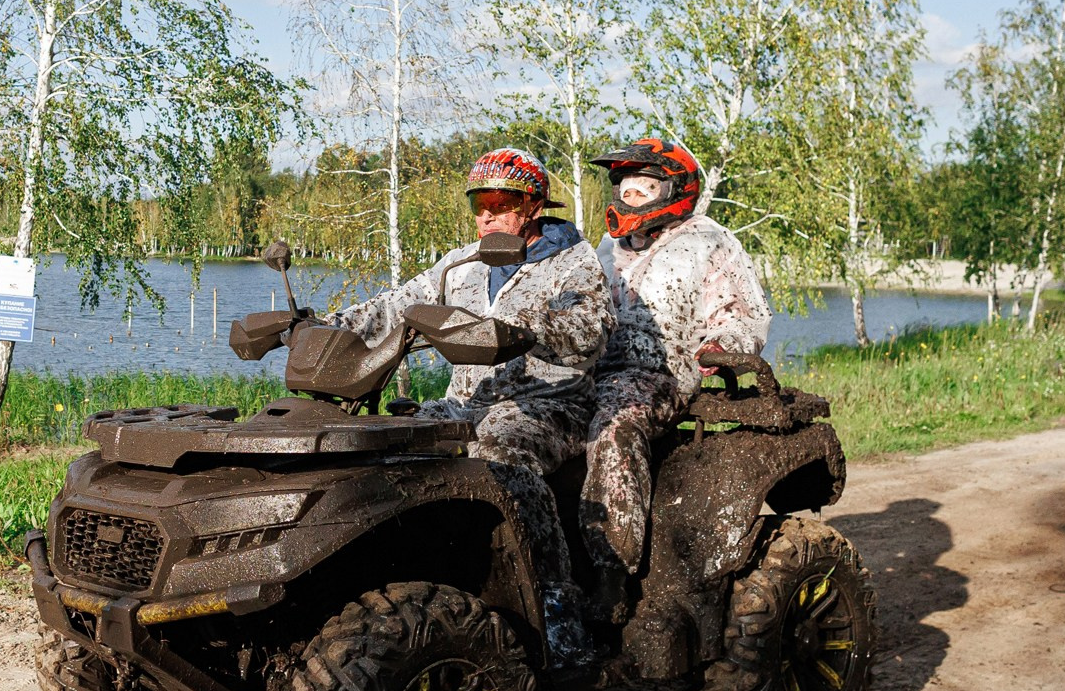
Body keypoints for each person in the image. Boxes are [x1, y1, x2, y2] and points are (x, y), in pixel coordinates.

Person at [326, 147, 612, 659]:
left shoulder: (574, 261)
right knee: (396, 438)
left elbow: (591, 333)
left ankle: (557, 613)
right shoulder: (461, 263)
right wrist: (323, 328)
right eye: (478, 202)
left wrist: (527, 327)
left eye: (499, 202)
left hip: (549, 405)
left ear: (532, 206)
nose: (485, 214)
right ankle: (412, 586)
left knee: (503, 453)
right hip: (467, 402)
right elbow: (400, 303)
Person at [576, 137, 770, 619]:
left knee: (614, 427)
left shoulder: (710, 240)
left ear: (673, 189)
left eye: (644, 185)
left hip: (660, 375)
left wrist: (721, 348)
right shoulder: (608, 245)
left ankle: (611, 572)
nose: (630, 195)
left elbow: (747, 315)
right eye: (624, 185)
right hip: (593, 371)